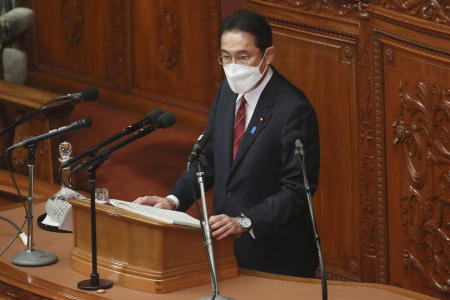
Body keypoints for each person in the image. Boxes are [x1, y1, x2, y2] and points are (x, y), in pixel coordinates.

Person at [134, 9, 320, 278]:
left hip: (275, 254)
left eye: (243, 57)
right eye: (226, 57)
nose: (233, 67)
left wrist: (245, 221)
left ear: (268, 55)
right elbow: (208, 158)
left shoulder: (293, 109)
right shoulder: (226, 92)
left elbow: (298, 190)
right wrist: (173, 201)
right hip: (225, 247)